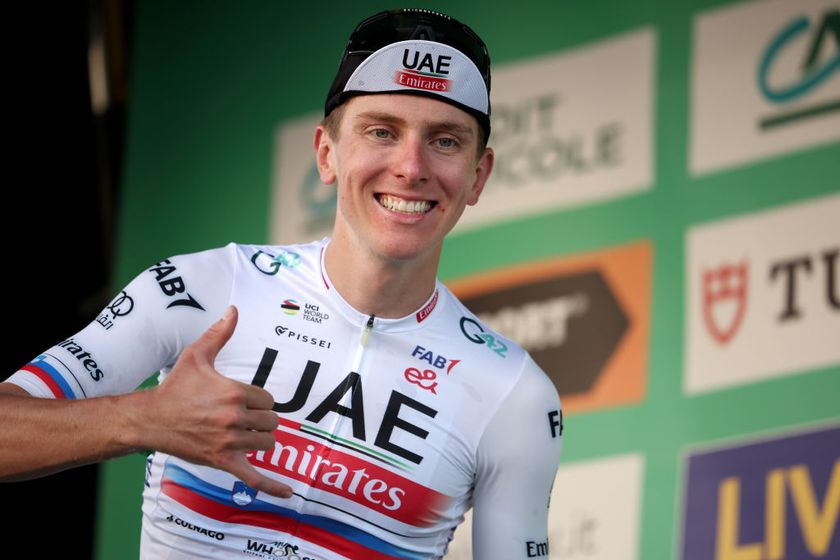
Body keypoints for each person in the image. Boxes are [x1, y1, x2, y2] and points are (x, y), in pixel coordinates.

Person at [0, 8, 563, 559]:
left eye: (445, 141)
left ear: (478, 176)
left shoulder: (514, 392)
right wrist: (143, 419)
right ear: (326, 153)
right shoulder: (202, 287)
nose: (411, 166)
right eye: (381, 131)